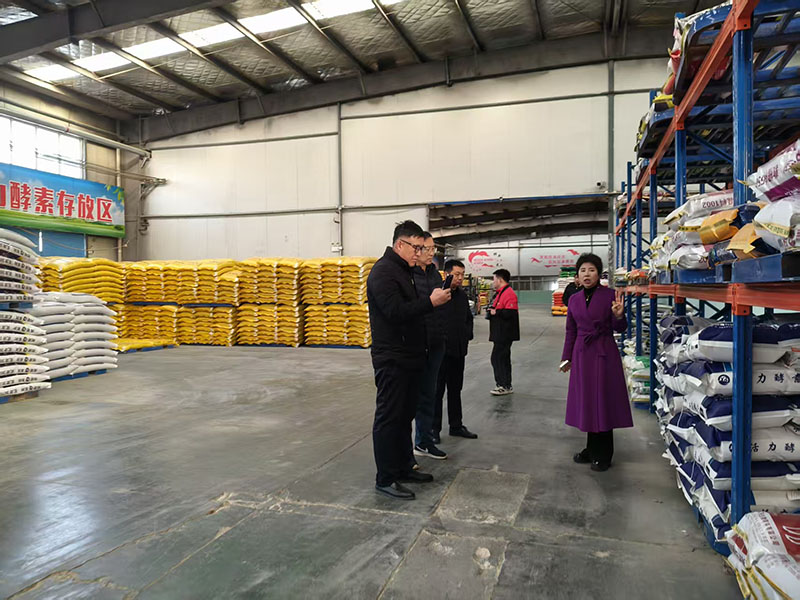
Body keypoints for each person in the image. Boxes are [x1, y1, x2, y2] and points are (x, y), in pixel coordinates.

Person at [367, 220, 452, 500]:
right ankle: (385, 477)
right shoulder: (383, 272)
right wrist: (430, 302)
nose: (420, 253)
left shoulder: (405, 271)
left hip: (411, 355)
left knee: (405, 416)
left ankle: (403, 467)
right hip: (393, 357)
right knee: (389, 417)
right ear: (399, 244)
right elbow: (394, 311)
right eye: (416, 247)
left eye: (422, 248)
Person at [559, 253, 632, 472]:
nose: (587, 274)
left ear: (599, 274)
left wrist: (619, 316)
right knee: (588, 401)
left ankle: (604, 453)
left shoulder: (610, 296)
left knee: (603, 400)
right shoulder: (574, 299)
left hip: (603, 352)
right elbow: (570, 331)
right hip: (582, 354)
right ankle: (591, 448)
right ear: (578, 275)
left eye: (591, 270)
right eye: (583, 270)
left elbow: (620, 328)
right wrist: (566, 357)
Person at [412, 232, 448, 461]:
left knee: (430, 393)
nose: (431, 253)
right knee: (414, 396)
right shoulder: (408, 274)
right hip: (417, 342)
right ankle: (416, 442)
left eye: (433, 248)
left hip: (436, 341)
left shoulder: (434, 273)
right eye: (427, 248)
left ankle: (424, 440)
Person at [433, 259, 477, 442]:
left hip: (458, 351)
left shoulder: (461, 295)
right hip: (441, 353)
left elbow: (468, 319)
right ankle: (433, 430)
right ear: (446, 274)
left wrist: (466, 335)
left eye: (462, 275)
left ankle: (456, 425)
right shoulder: (438, 294)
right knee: (437, 392)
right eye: (457, 274)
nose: (460, 278)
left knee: (455, 390)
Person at [487, 268, 519, 396]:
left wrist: (496, 312)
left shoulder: (509, 294)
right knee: (501, 358)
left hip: (504, 333)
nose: (493, 282)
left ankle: (503, 385)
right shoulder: (500, 293)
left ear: (500, 280)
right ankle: (505, 384)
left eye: (494, 279)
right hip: (500, 333)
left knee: (498, 358)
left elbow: (510, 313)